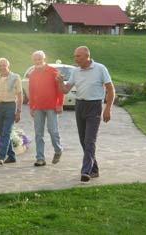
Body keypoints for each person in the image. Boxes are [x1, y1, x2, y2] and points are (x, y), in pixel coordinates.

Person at [58, 46, 115, 182]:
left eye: (78, 56)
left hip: (94, 106)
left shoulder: (100, 68)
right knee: (83, 140)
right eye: (75, 56)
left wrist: (108, 109)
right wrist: (60, 82)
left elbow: (110, 89)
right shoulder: (76, 71)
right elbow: (65, 90)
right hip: (80, 106)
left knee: (90, 140)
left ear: (87, 56)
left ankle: (86, 171)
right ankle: (94, 169)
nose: (75, 59)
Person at [28, 50, 64, 167]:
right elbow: (31, 91)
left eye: (39, 59)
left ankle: (58, 150)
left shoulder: (53, 71)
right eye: (35, 59)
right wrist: (31, 107)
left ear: (44, 59)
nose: (37, 61)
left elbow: (60, 89)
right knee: (38, 133)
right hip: (38, 107)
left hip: (51, 106)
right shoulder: (32, 74)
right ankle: (40, 158)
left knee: (53, 131)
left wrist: (60, 104)